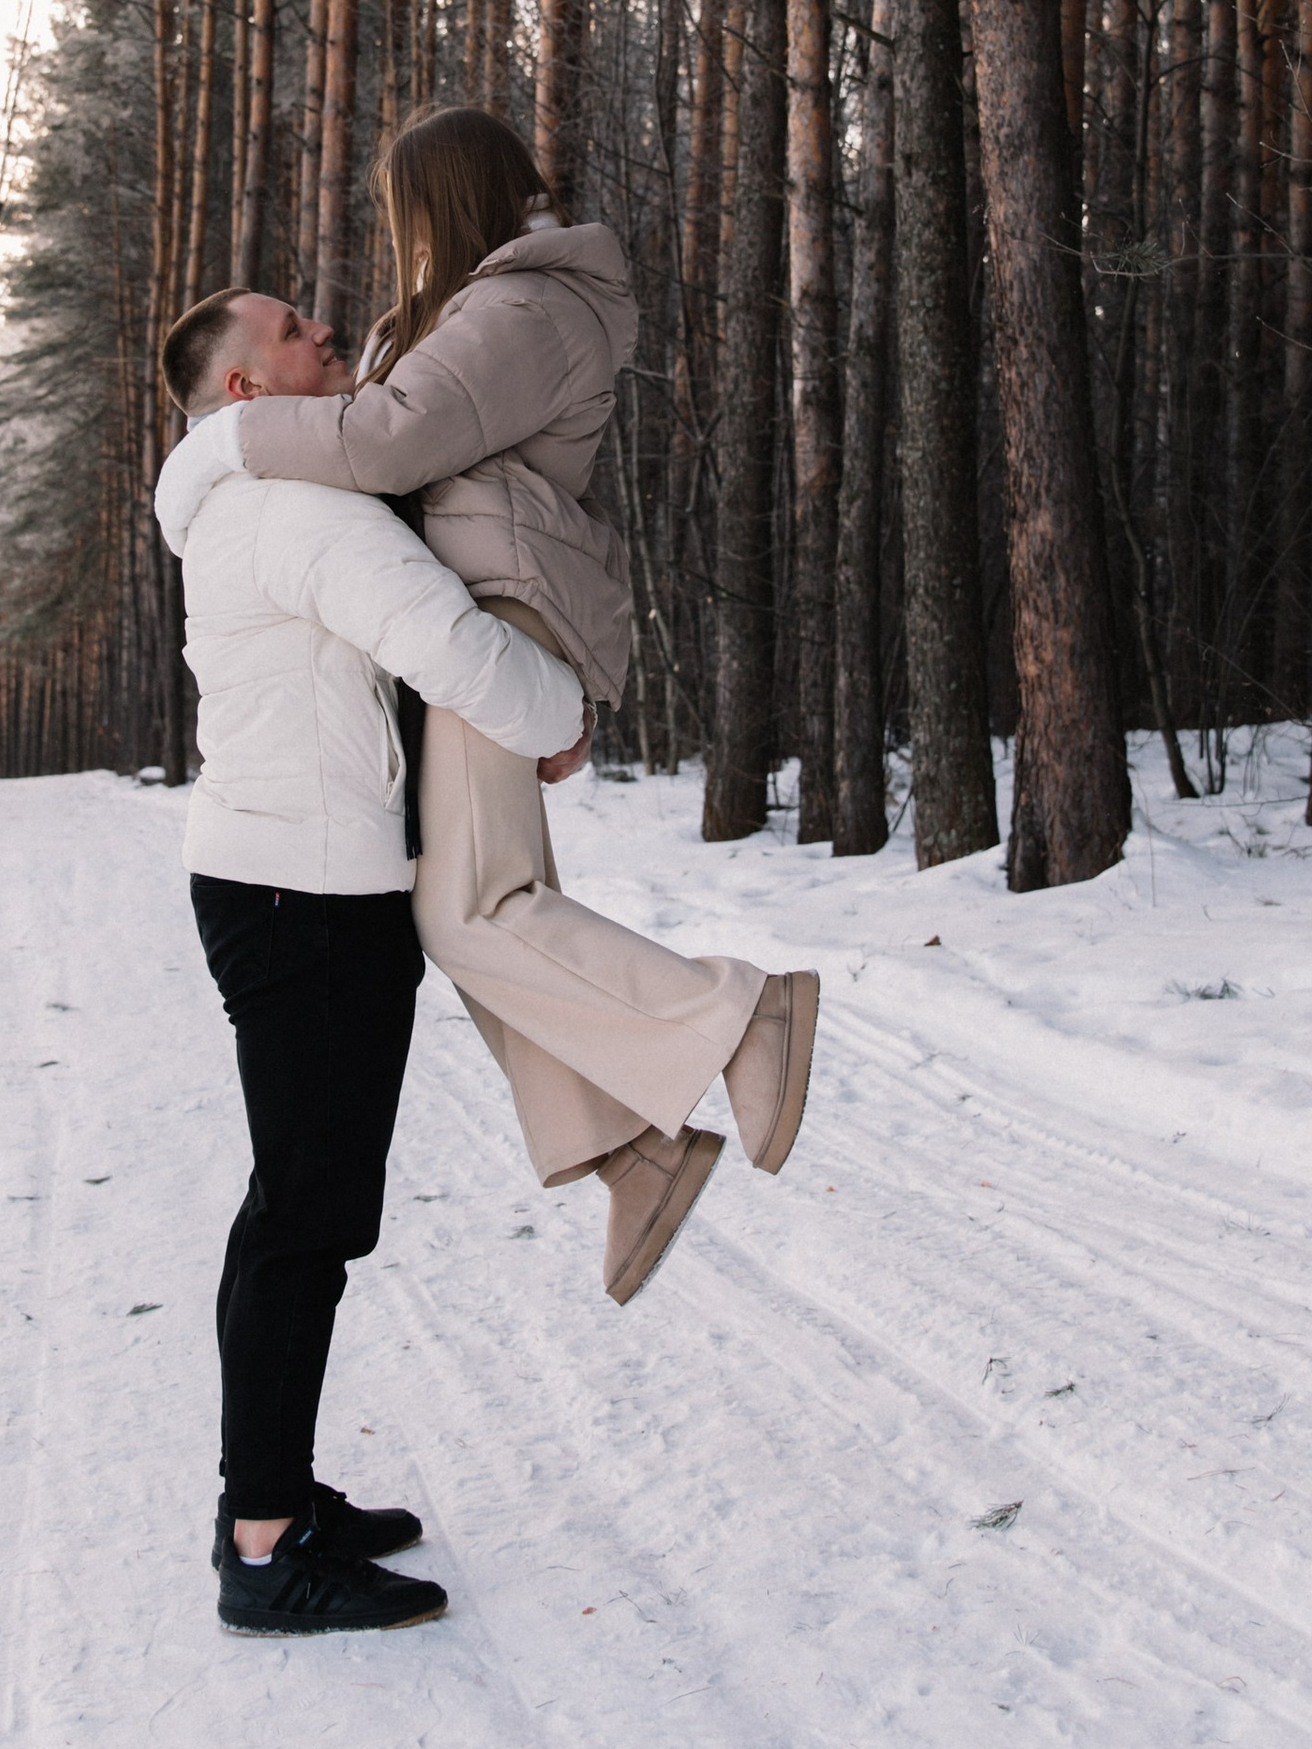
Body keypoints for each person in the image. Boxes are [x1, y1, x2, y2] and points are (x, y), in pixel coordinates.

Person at [154, 109, 819, 1306]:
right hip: (472, 614)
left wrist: (225, 438)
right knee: (476, 911)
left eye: (403, 210)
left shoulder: (526, 308)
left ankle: (739, 1016)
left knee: (472, 913)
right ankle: (631, 1152)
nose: (391, 241)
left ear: (441, 201)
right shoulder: (475, 310)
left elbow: (393, 441)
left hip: (500, 612)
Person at [155, 279, 589, 1639]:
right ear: (243, 390)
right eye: (291, 332)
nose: (325, 334)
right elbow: (452, 648)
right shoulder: (300, 506)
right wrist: (565, 714)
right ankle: (266, 1545)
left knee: (297, 1212)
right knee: (304, 1221)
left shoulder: (243, 503)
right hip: (306, 895)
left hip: (284, 881)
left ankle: (271, 1495)